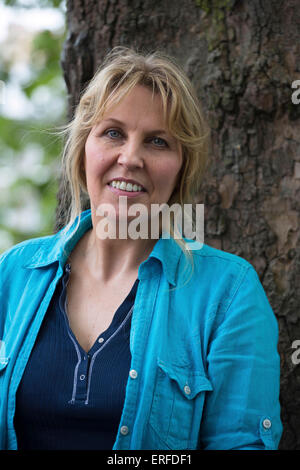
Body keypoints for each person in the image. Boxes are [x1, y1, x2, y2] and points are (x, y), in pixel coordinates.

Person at [0, 46, 282, 450]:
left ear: (182, 167)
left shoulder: (229, 293)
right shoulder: (11, 274)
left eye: (157, 142)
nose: (130, 158)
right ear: (83, 150)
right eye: (113, 133)